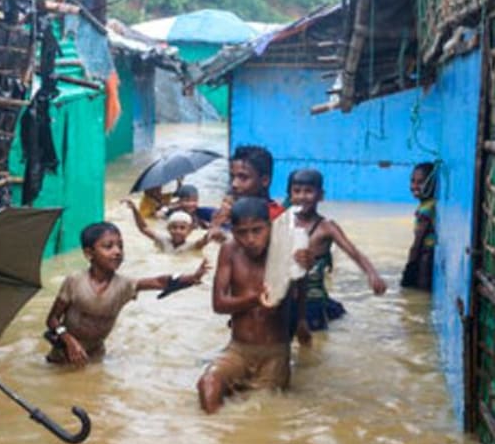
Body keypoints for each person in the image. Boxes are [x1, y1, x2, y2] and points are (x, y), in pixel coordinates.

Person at [45, 221, 209, 366]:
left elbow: (159, 281)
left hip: (95, 358)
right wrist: (68, 339)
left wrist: (192, 277)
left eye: (120, 246)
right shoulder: (74, 282)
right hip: (62, 357)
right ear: (89, 253)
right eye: (108, 247)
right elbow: (52, 319)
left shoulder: (124, 285)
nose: (117, 252)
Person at [197, 197, 297, 414]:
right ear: (232, 231)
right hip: (238, 349)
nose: (250, 239)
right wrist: (253, 299)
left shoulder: (285, 253)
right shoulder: (229, 250)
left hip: (273, 353)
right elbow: (219, 304)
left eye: (257, 230)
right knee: (208, 384)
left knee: (259, 411)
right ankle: (213, 430)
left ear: (269, 228)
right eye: (242, 232)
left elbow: (298, 299)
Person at [288, 169, 387, 344]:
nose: (302, 196)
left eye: (309, 191)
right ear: (290, 195)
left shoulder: (326, 227)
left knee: (314, 345)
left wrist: (372, 274)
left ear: (321, 196)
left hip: (313, 300)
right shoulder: (283, 222)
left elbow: (353, 252)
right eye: (297, 191)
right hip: (287, 297)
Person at [123, 198, 223, 253]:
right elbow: (144, 228)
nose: (177, 231)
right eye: (174, 227)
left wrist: (213, 229)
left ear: (189, 231)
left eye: (182, 228)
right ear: (168, 229)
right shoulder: (163, 240)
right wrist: (134, 210)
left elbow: (203, 241)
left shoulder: (191, 246)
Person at [224, 145, 284, 223]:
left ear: (264, 181)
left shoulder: (277, 217)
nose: (234, 184)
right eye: (232, 177)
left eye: (243, 177)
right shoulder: (229, 212)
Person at [402, 162, 437, 291]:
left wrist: (410, 265)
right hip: (425, 255)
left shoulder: (427, 209)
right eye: (412, 181)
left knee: (420, 291)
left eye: (420, 182)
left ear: (431, 184)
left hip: (425, 257)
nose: (414, 186)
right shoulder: (428, 204)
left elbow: (418, 241)